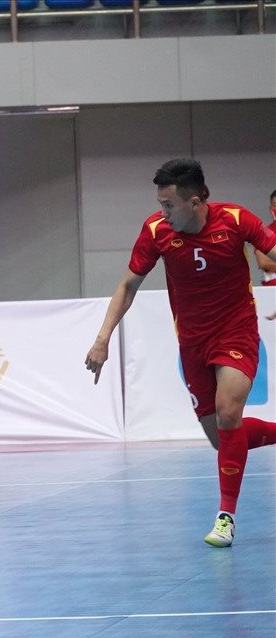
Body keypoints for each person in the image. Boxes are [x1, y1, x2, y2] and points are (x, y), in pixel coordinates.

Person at [85, 159, 276, 548]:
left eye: (169, 205)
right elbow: (128, 286)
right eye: (160, 204)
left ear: (196, 201)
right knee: (223, 440)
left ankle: (225, 517)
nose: (163, 212)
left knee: (228, 413)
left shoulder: (236, 220)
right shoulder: (156, 231)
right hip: (192, 343)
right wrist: (102, 338)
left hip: (236, 332)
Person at [254, 189, 276, 286]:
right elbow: (264, 262)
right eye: (275, 205)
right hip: (272, 289)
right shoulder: (264, 232)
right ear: (271, 209)